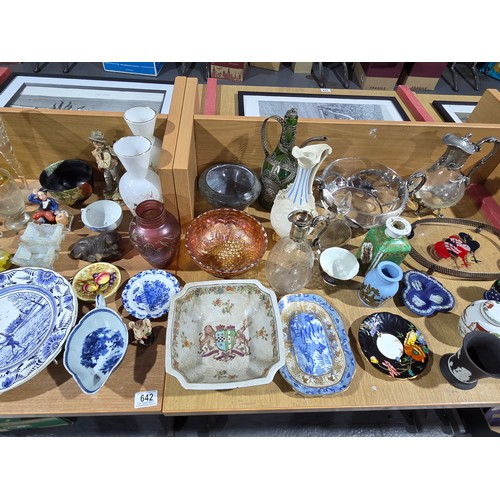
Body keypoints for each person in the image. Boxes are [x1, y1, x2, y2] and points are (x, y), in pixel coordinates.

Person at [88, 130, 122, 200]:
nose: (94, 144)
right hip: (106, 168)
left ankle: (119, 187)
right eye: (93, 142)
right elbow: (101, 162)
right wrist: (98, 162)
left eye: (96, 142)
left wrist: (96, 157)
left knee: (116, 177)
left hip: (112, 166)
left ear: (100, 143)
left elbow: (106, 164)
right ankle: (109, 188)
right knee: (107, 177)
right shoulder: (98, 150)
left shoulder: (106, 151)